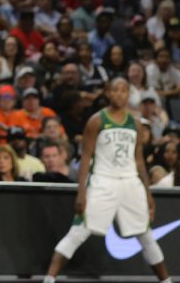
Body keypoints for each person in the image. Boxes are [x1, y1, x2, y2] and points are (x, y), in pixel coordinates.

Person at [43, 78, 173, 283]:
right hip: (103, 180)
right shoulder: (97, 120)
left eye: (123, 91)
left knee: (145, 234)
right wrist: (81, 192)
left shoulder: (135, 123)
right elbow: (85, 157)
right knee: (78, 232)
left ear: (128, 94)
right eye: (115, 90)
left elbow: (138, 160)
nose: (119, 94)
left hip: (130, 182)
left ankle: (166, 281)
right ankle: (49, 279)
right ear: (107, 93)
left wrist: (148, 194)